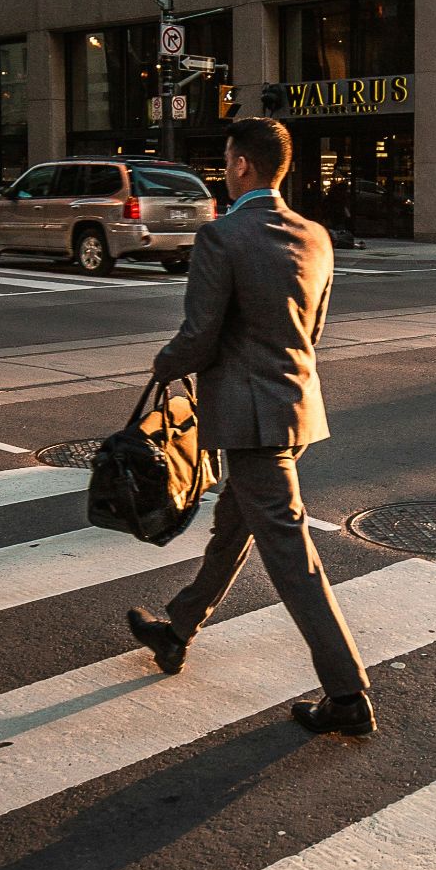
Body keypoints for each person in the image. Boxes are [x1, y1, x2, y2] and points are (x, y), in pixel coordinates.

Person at [124, 117, 374, 737]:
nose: (224, 169)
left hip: (247, 414)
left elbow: (201, 336)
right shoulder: (316, 235)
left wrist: (166, 364)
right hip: (295, 408)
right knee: (234, 526)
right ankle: (177, 630)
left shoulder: (223, 237)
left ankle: (348, 694)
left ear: (242, 166)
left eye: (227, 159)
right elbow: (311, 332)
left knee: (292, 555)